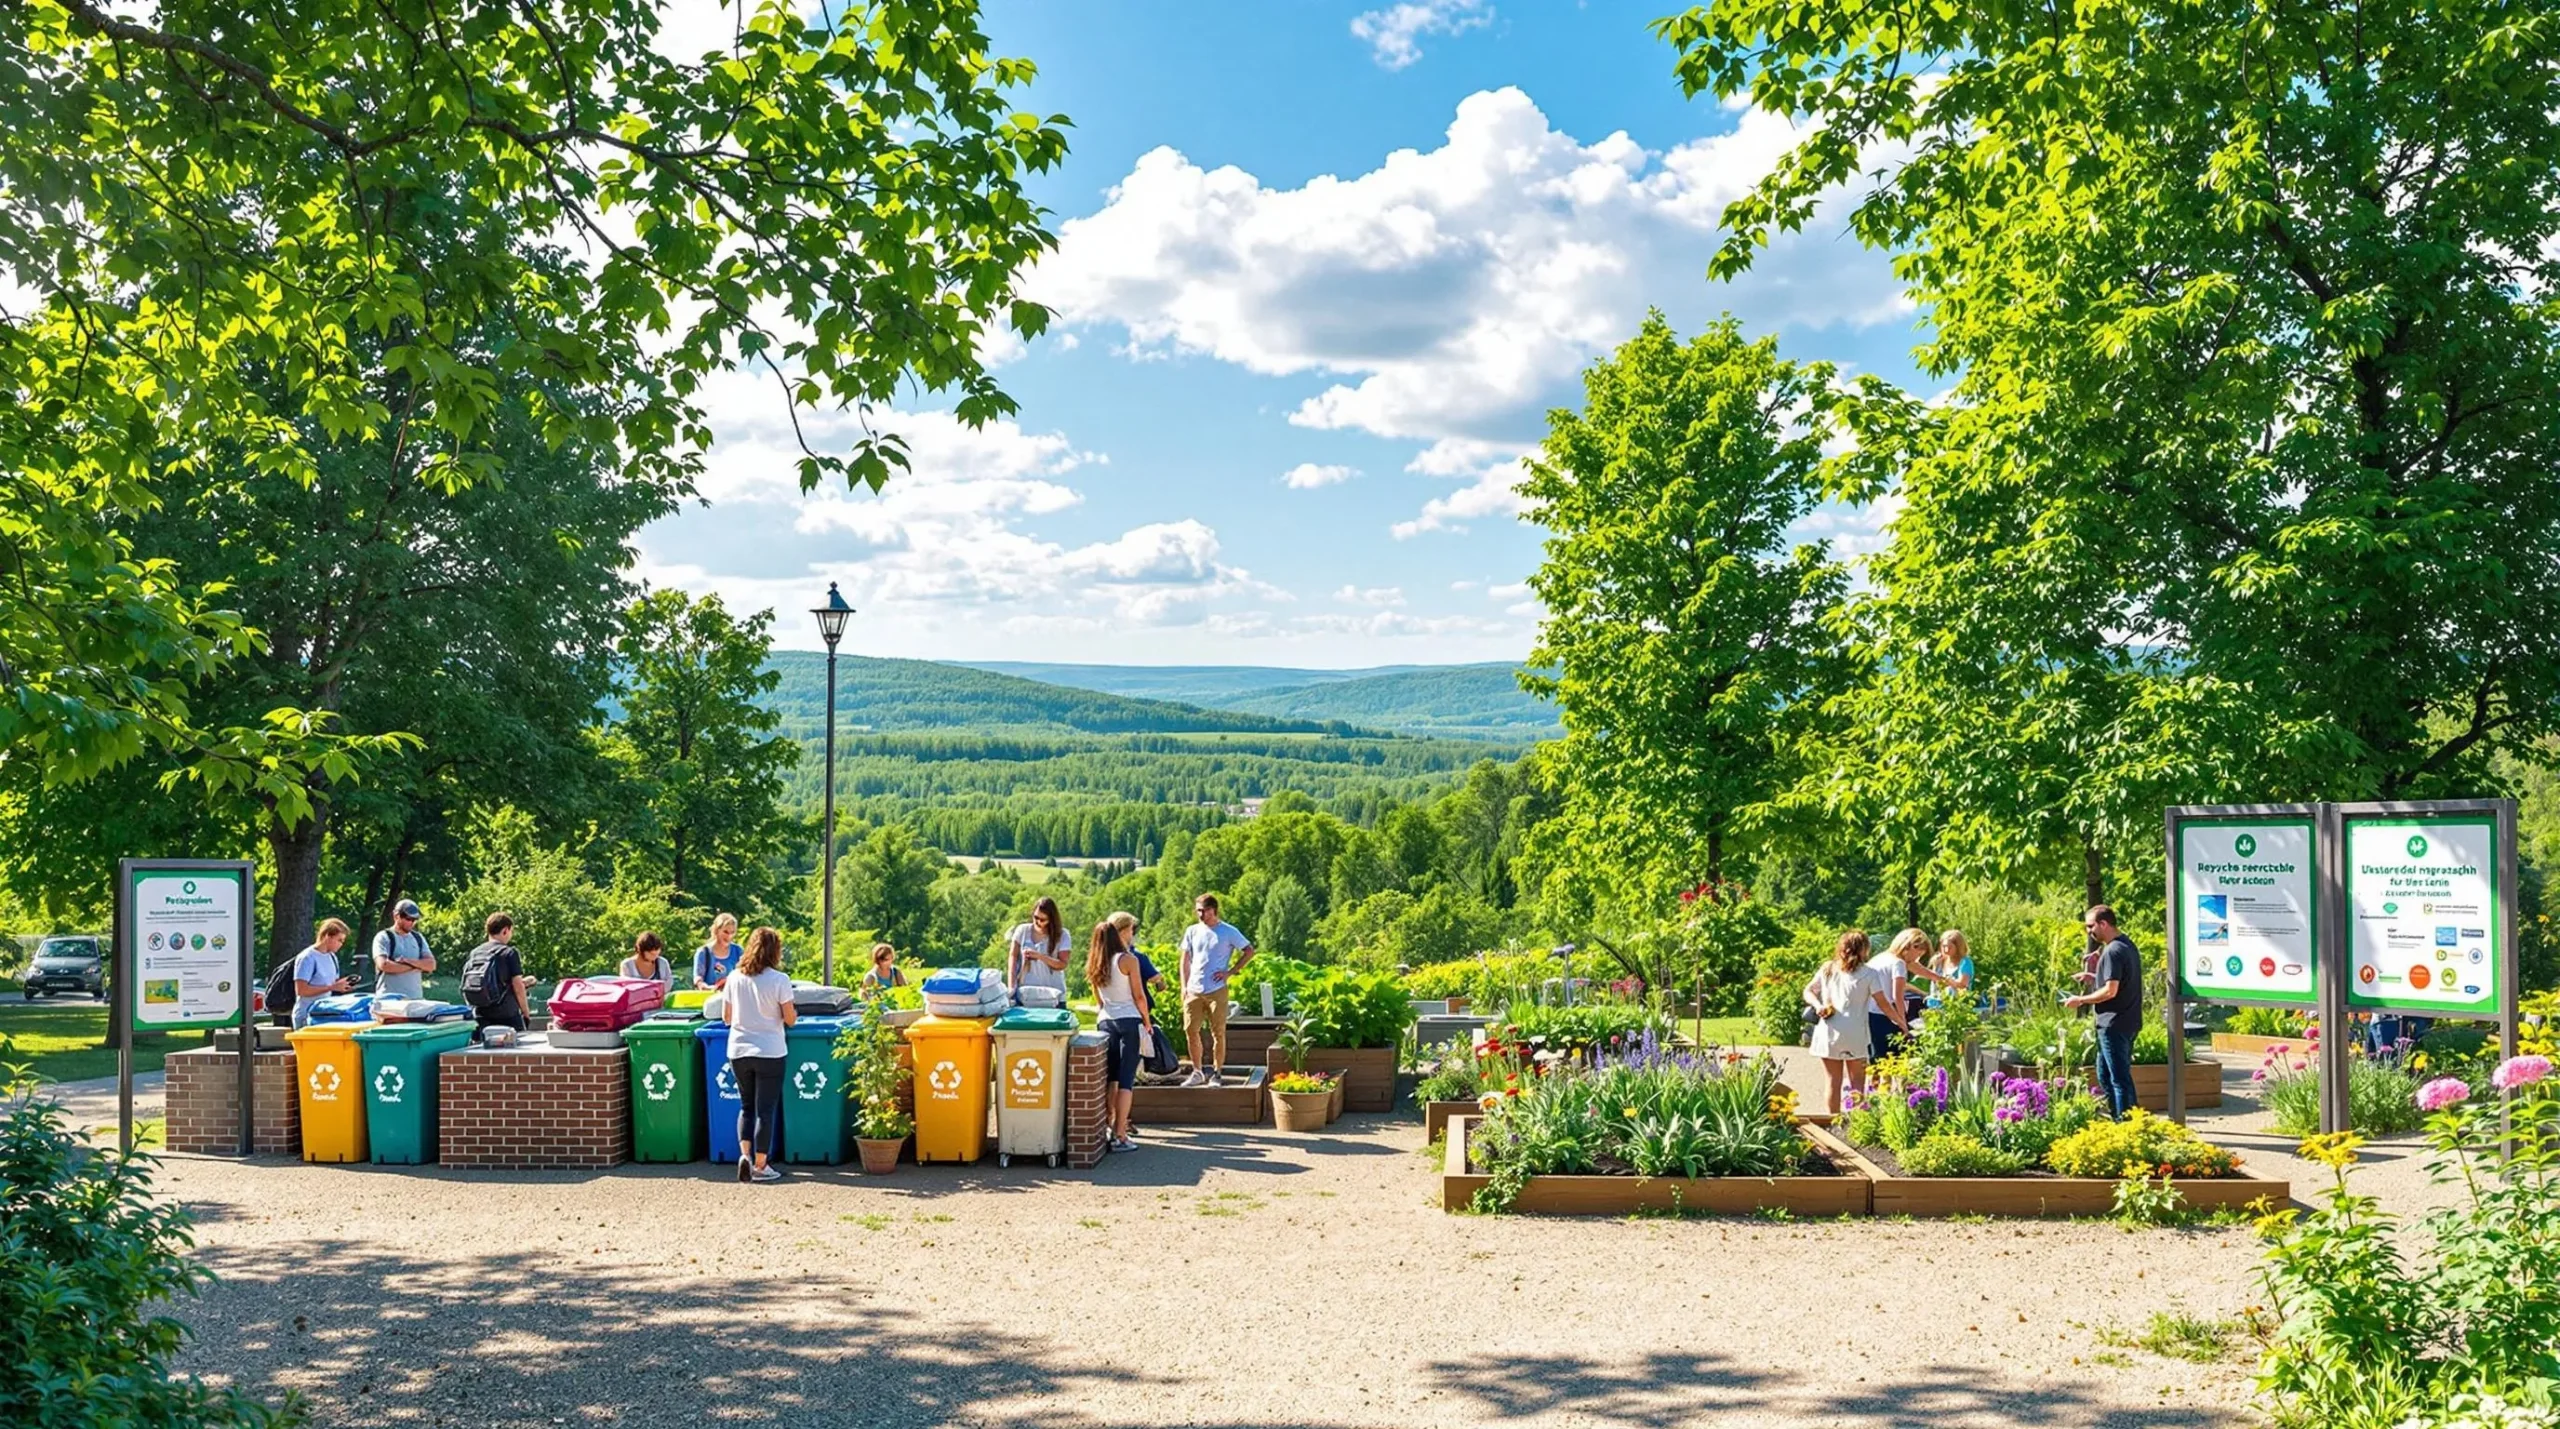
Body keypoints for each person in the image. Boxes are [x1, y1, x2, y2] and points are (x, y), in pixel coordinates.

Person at [723, 926, 797, 1183]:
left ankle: (745, 1156)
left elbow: (726, 1017)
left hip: (739, 1050)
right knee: (765, 1110)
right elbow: (790, 1020)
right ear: (774, 951)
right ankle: (762, 1166)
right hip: (770, 1051)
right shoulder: (779, 980)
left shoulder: (734, 977)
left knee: (746, 1106)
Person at [1803, 930, 1903, 1116]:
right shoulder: (1869, 974)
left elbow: (1808, 991)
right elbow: (1884, 1004)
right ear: (1864, 950)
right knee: (1857, 1081)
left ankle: (1832, 1122)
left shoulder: (1828, 968)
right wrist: (1901, 1023)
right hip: (1855, 1032)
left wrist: (1818, 1005)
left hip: (1830, 1029)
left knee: (1833, 1080)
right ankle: (1857, 1122)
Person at [2063, 905, 2143, 1119]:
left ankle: (2126, 1124)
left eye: (2091, 926)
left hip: (2113, 1023)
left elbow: (2110, 991)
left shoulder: (2112, 951)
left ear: (2104, 923)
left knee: (2118, 1079)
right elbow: (2119, 980)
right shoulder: (2126, 945)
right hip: (2127, 1020)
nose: (2089, 931)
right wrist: (2092, 976)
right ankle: (2126, 1119)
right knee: (2106, 1076)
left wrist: (2080, 1000)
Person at [1177, 893, 1255, 1087]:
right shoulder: (1192, 931)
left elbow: (1249, 950)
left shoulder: (1228, 931)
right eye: (1198, 911)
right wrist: (1184, 986)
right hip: (1194, 989)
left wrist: (1231, 972)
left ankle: (1217, 1072)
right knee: (1190, 1030)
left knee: (1218, 1032)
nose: (1201, 915)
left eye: (1204, 910)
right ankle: (1197, 1071)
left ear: (1214, 910)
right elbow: (1185, 959)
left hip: (1217, 989)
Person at [1088, 919, 1151, 1153]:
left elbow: (1099, 1000)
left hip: (1105, 1022)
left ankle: (1107, 1124)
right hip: (1128, 1021)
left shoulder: (1095, 963)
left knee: (1110, 1078)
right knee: (1126, 1080)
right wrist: (1146, 1020)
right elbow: (1139, 996)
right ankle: (1121, 1134)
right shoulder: (1128, 960)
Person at [462, 911, 532, 1038]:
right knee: (517, 1052)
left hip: (480, 1013)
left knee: (481, 1052)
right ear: (505, 930)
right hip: (507, 1014)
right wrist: (525, 1012)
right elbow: (518, 986)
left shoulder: (475, 953)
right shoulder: (509, 953)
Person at [1869, 928, 1932, 1059]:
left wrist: (1943, 980)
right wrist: (1903, 1024)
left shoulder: (1881, 958)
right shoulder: (1899, 964)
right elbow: (1897, 996)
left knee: (1877, 1060)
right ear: (1909, 946)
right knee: (1894, 1059)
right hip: (1885, 1016)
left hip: (1869, 1013)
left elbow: (1917, 969)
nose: (1917, 958)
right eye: (1918, 953)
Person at [290, 919, 358, 1030]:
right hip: (306, 1015)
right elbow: (301, 990)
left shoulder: (332, 957)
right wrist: (331, 987)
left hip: (324, 1014)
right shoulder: (307, 957)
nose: (341, 944)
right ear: (327, 936)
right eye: (339, 940)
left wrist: (341, 985)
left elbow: (330, 984)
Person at [1006, 897, 1071, 1004]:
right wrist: (1011, 986)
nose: (1038, 922)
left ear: (1051, 920)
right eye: (1035, 917)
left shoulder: (1063, 935)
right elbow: (1013, 957)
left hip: (1053, 996)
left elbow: (1062, 964)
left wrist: (1039, 956)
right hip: (1025, 995)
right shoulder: (1022, 931)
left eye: (1042, 920)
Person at [369, 899, 435, 1000]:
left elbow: (431, 965)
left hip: (415, 999)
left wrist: (407, 961)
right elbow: (384, 965)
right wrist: (417, 966)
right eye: (408, 919)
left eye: (415, 919)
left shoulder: (418, 938)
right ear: (396, 916)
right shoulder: (383, 937)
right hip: (389, 1001)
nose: (412, 922)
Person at [1912, 928, 1977, 1009]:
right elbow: (1934, 981)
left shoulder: (1965, 962)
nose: (1946, 950)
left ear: (1958, 947)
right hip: (1936, 1003)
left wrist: (1946, 981)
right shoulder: (1939, 960)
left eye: (1950, 947)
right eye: (1944, 946)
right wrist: (1935, 966)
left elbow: (1963, 984)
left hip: (1957, 1005)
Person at [693, 912, 744, 991]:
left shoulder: (738, 951)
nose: (729, 936)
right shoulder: (703, 952)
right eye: (725, 932)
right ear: (716, 930)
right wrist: (706, 987)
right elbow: (698, 978)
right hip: (709, 997)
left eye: (732, 932)